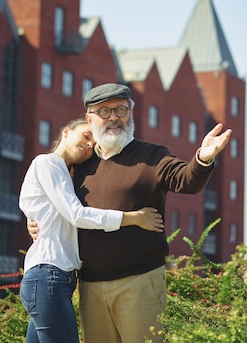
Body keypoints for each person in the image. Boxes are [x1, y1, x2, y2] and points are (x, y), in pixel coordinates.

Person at [29, 83, 232, 343]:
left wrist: (203, 158)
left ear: (131, 114)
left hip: (140, 282)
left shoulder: (152, 156)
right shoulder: (78, 165)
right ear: (90, 119)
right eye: (104, 111)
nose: (113, 117)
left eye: (120, 109)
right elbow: (54, 203)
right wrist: (33, 221)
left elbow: (186, 180)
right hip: (90, 285)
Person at [18, 118, 164, 343]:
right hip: (47, 276)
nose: (88, 145)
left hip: (53, 279)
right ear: (66, 132)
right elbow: (77, 214)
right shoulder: (47, 163)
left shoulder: (68, 176)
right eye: (86, 136)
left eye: (92, 145)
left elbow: (39, 207)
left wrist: (34, 217)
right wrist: (133, 218)